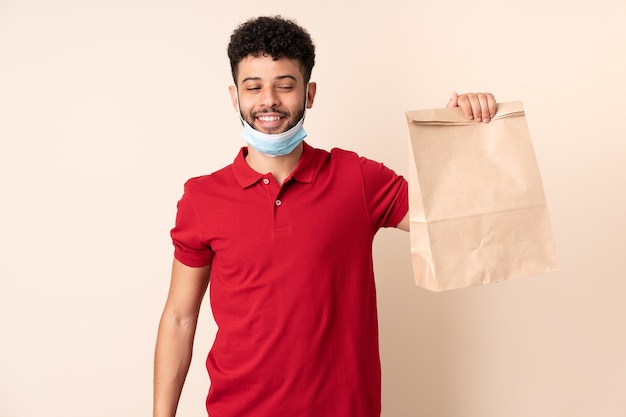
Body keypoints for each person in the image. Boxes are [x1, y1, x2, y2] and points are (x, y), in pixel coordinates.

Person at [153, 15, 496, 417]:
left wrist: (462, 132)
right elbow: (179, 318)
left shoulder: (358, 179)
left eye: (285, 84)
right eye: (254, 87)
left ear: (309, 93)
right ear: (235, 97)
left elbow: (455, 217)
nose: (269, 100)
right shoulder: (202, 197)